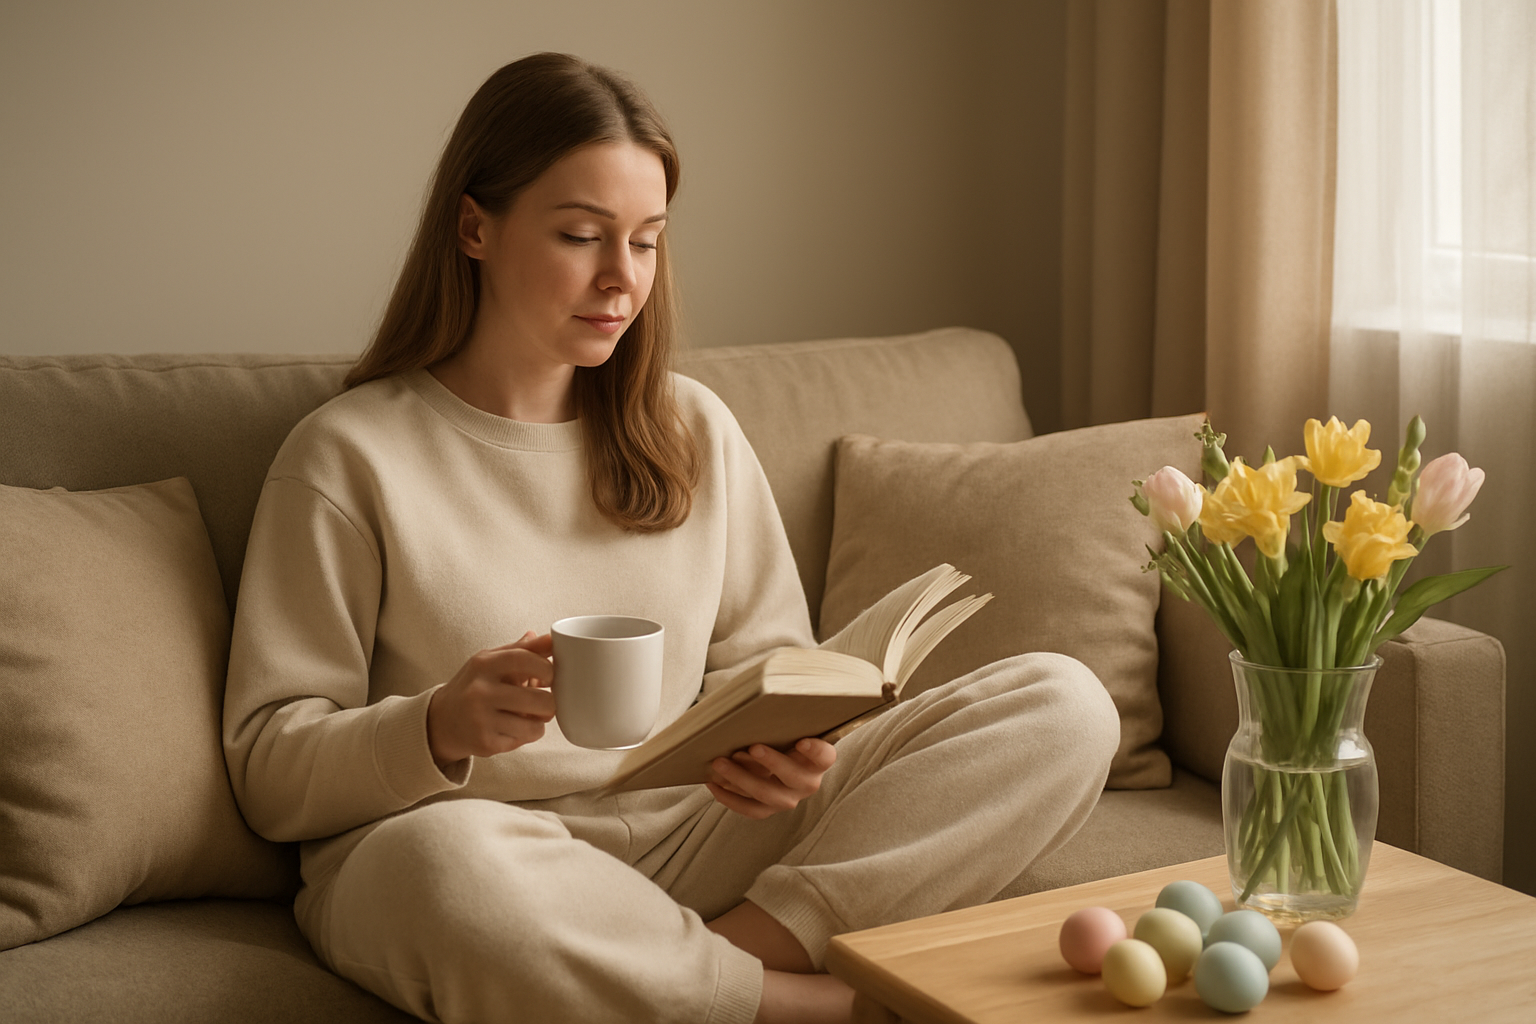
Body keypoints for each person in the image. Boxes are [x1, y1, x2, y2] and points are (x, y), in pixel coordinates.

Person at [222, 52, 1119, 1024]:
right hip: (475, 850)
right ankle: (812, 1006)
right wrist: (437, 725)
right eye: (581, 236)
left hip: (694, 838)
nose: (621, 279)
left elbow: (774, 670)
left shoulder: (690, 429)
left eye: (647, 242)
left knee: (1064, 704)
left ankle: (715, 973)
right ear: (474, 227)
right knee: (445, 869)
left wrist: (786, 754)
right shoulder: (348, 455)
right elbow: (269, 767)